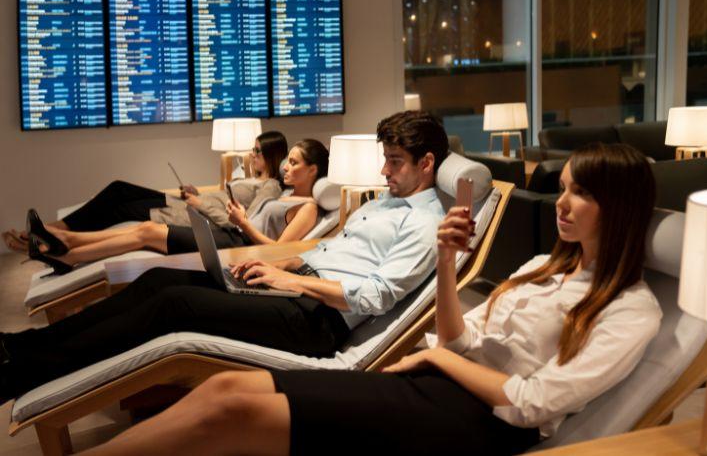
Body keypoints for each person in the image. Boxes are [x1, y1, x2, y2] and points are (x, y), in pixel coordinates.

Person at [76, 142, 662, 456]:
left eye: (580, 193)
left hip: (476, 424)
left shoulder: (632, 309)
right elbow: (459, 338)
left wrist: (437, 358)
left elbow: (535, 404)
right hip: (434, 383)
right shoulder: (539, 268)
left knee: (233, 413)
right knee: (225, 386)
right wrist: (446, 262)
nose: (562, 205)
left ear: (622, 207)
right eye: (561, 190)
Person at [0, 110, 450, 402]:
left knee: (176, 305)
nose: (384, 171)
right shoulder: (382, 204)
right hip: (293, 290)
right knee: (159, 280)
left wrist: (293, 282)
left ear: (426, 162)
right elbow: (329, 253)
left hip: (316, 320)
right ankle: (24, 345)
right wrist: (277, 266)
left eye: (394, 161)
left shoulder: (426, 222)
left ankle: (24, 373)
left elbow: (377, 295)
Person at [22, 138, 330, 275]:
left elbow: (280, 250)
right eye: (287, 160)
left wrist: (244, 223)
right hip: (233, 232)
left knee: (147, 232)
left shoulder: (309, 207)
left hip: (237, 242)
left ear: (313, 170)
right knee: (145, 229)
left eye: (294, 162)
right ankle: (67, 247)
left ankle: (68, 249)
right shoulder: (282, 194)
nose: (286, 167)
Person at [2, 131, 288, 254]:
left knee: (120, 209)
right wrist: (195, 191)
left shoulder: (270, 186)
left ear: (273, 156)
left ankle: (47, 235)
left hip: (190, 216)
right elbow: (221, 196)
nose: (252, 155)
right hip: (186, 203)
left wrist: (200, 202)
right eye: (253, 149)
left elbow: (241, 221)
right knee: (118, 189)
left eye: (257, 151)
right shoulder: (246, 175)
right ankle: (50, 229)